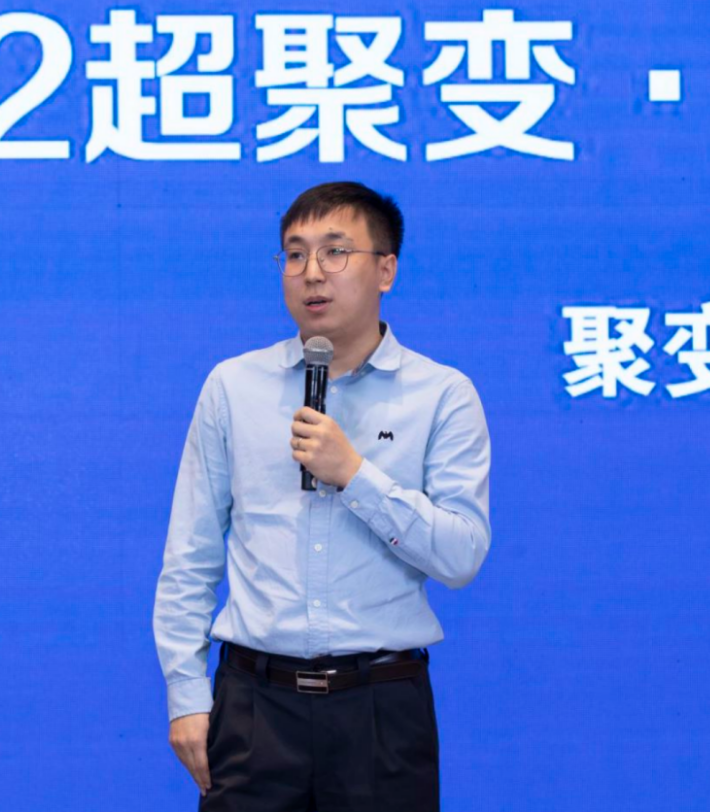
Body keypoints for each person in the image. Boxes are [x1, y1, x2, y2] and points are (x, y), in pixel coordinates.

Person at [152, 181, 492, 812]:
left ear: (386, 269)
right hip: (253, 707)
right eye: (295, 254)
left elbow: (461, 555)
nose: (312, 273)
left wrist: (355, 474)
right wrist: (187, 695)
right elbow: (190, 557)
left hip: (381, 710)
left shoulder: (442, 395)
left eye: (336, 252)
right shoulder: (233, 387)